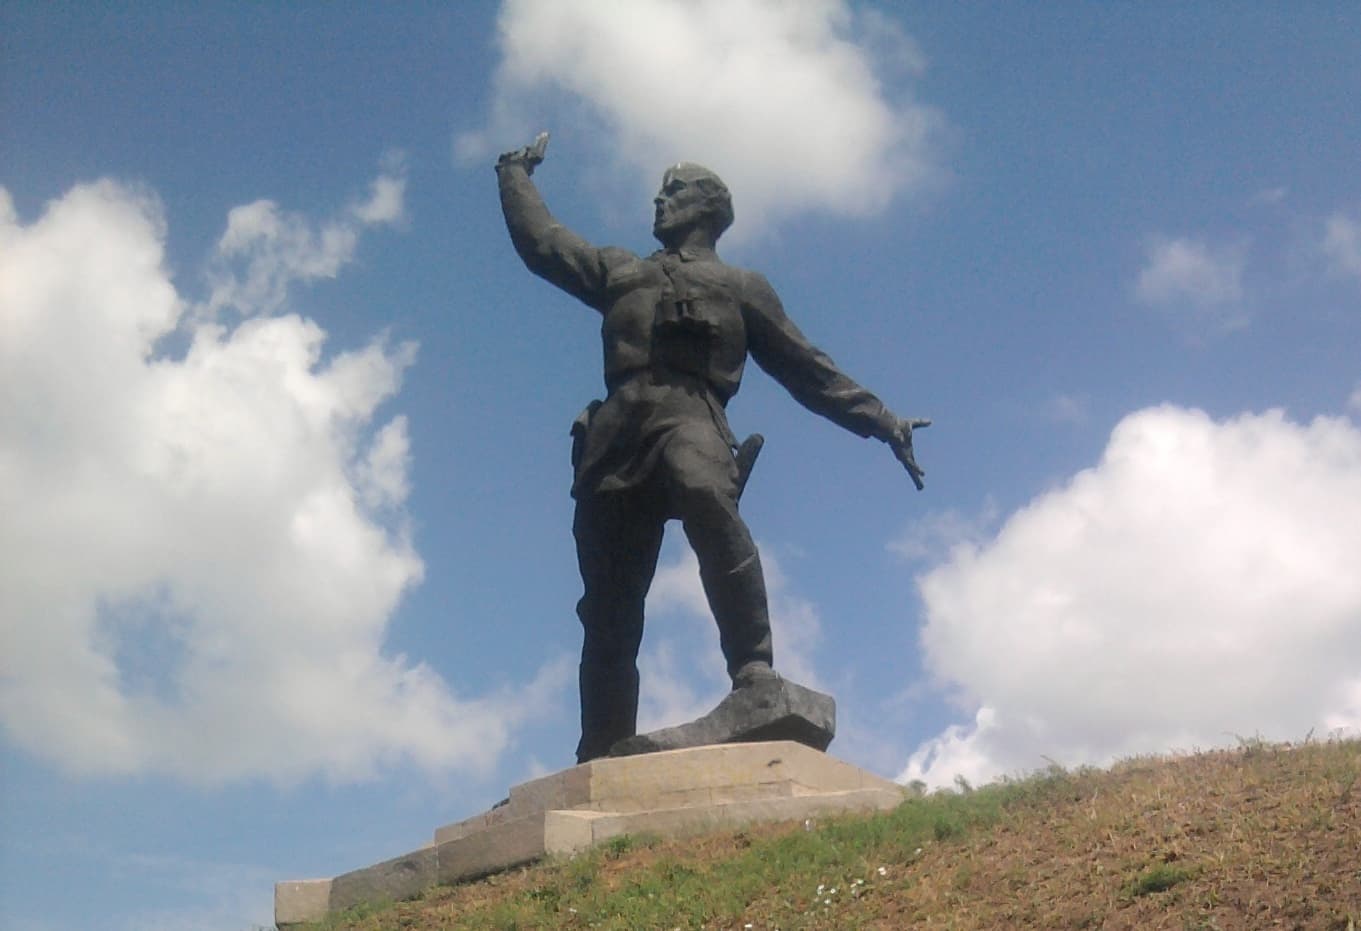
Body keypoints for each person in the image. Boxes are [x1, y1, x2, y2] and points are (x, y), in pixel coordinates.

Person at [495, 133, 929, 763]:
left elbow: (807, 368)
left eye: (674, 191)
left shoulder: (740, 286)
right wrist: (514, 173)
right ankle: (603, 745)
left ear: (709, 205)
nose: (659, 200)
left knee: (704, 493)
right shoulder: (621, 271)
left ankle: (754, 671)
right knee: (609, 607)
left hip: (691, 416)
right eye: (660, 191)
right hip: (615, 437)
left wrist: (882, 419)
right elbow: (544, 243)